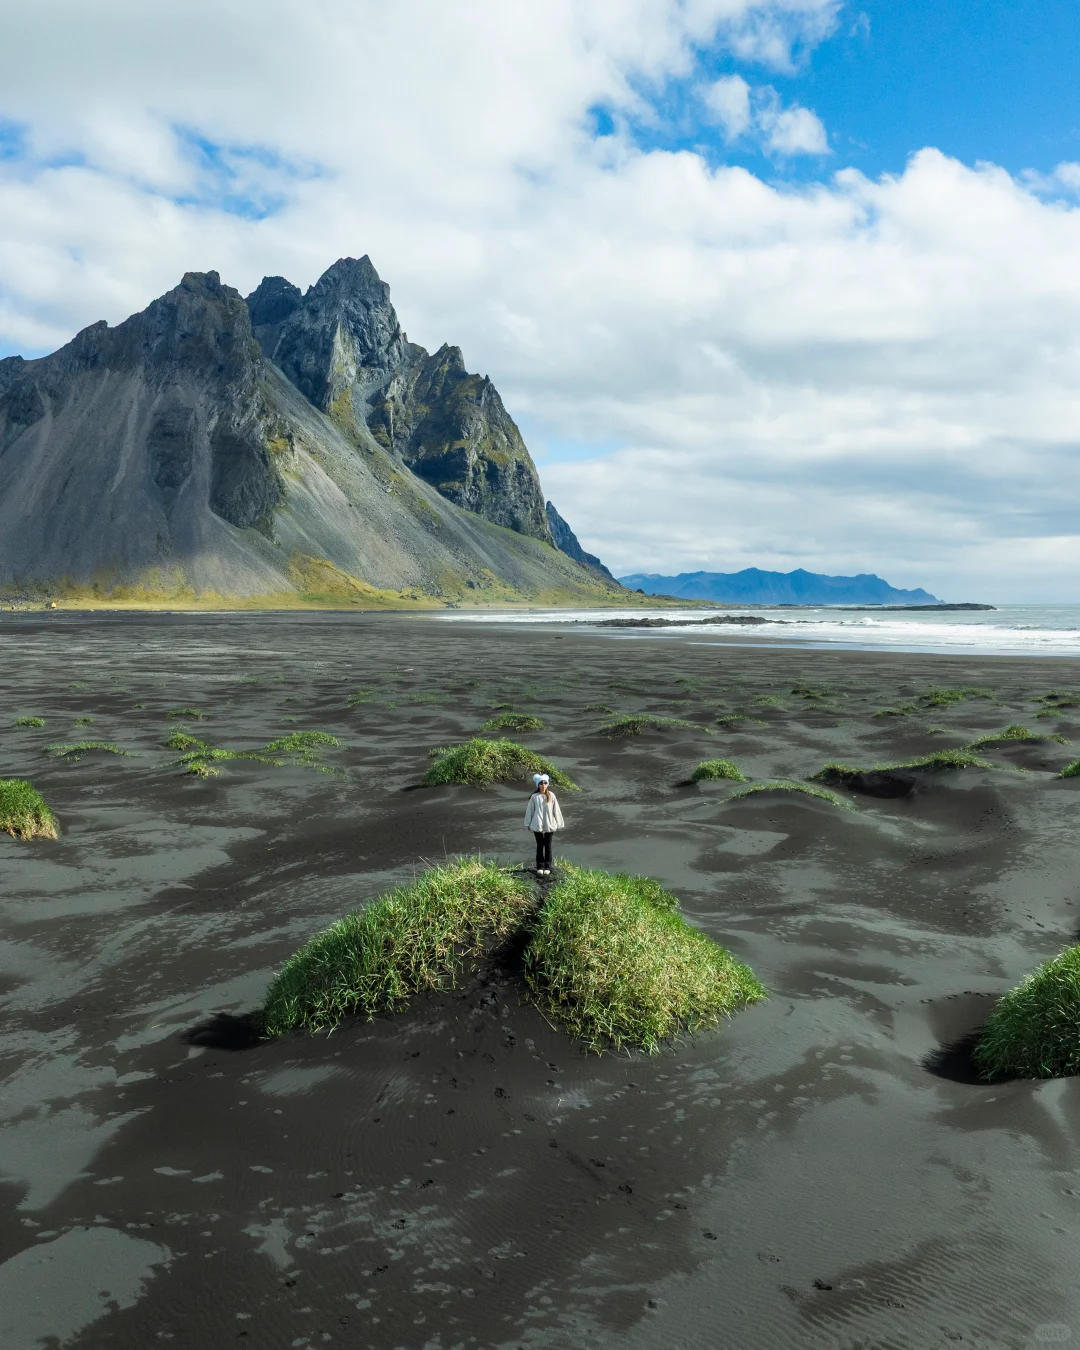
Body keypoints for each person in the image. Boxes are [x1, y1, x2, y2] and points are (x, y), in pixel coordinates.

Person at [524, 772, 564, 876]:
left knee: (548, 846)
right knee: (539, 845)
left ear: (548, 784)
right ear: (538, 785)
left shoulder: (551, 796)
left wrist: (559, 822)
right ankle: (540, 866)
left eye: (545, 783)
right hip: (537, 824)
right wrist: (527, 823)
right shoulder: (534, 797)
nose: (543, 785)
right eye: (541, 783)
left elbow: (556, 810)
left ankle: (548, 866)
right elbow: (530, 811)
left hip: (549, 824)